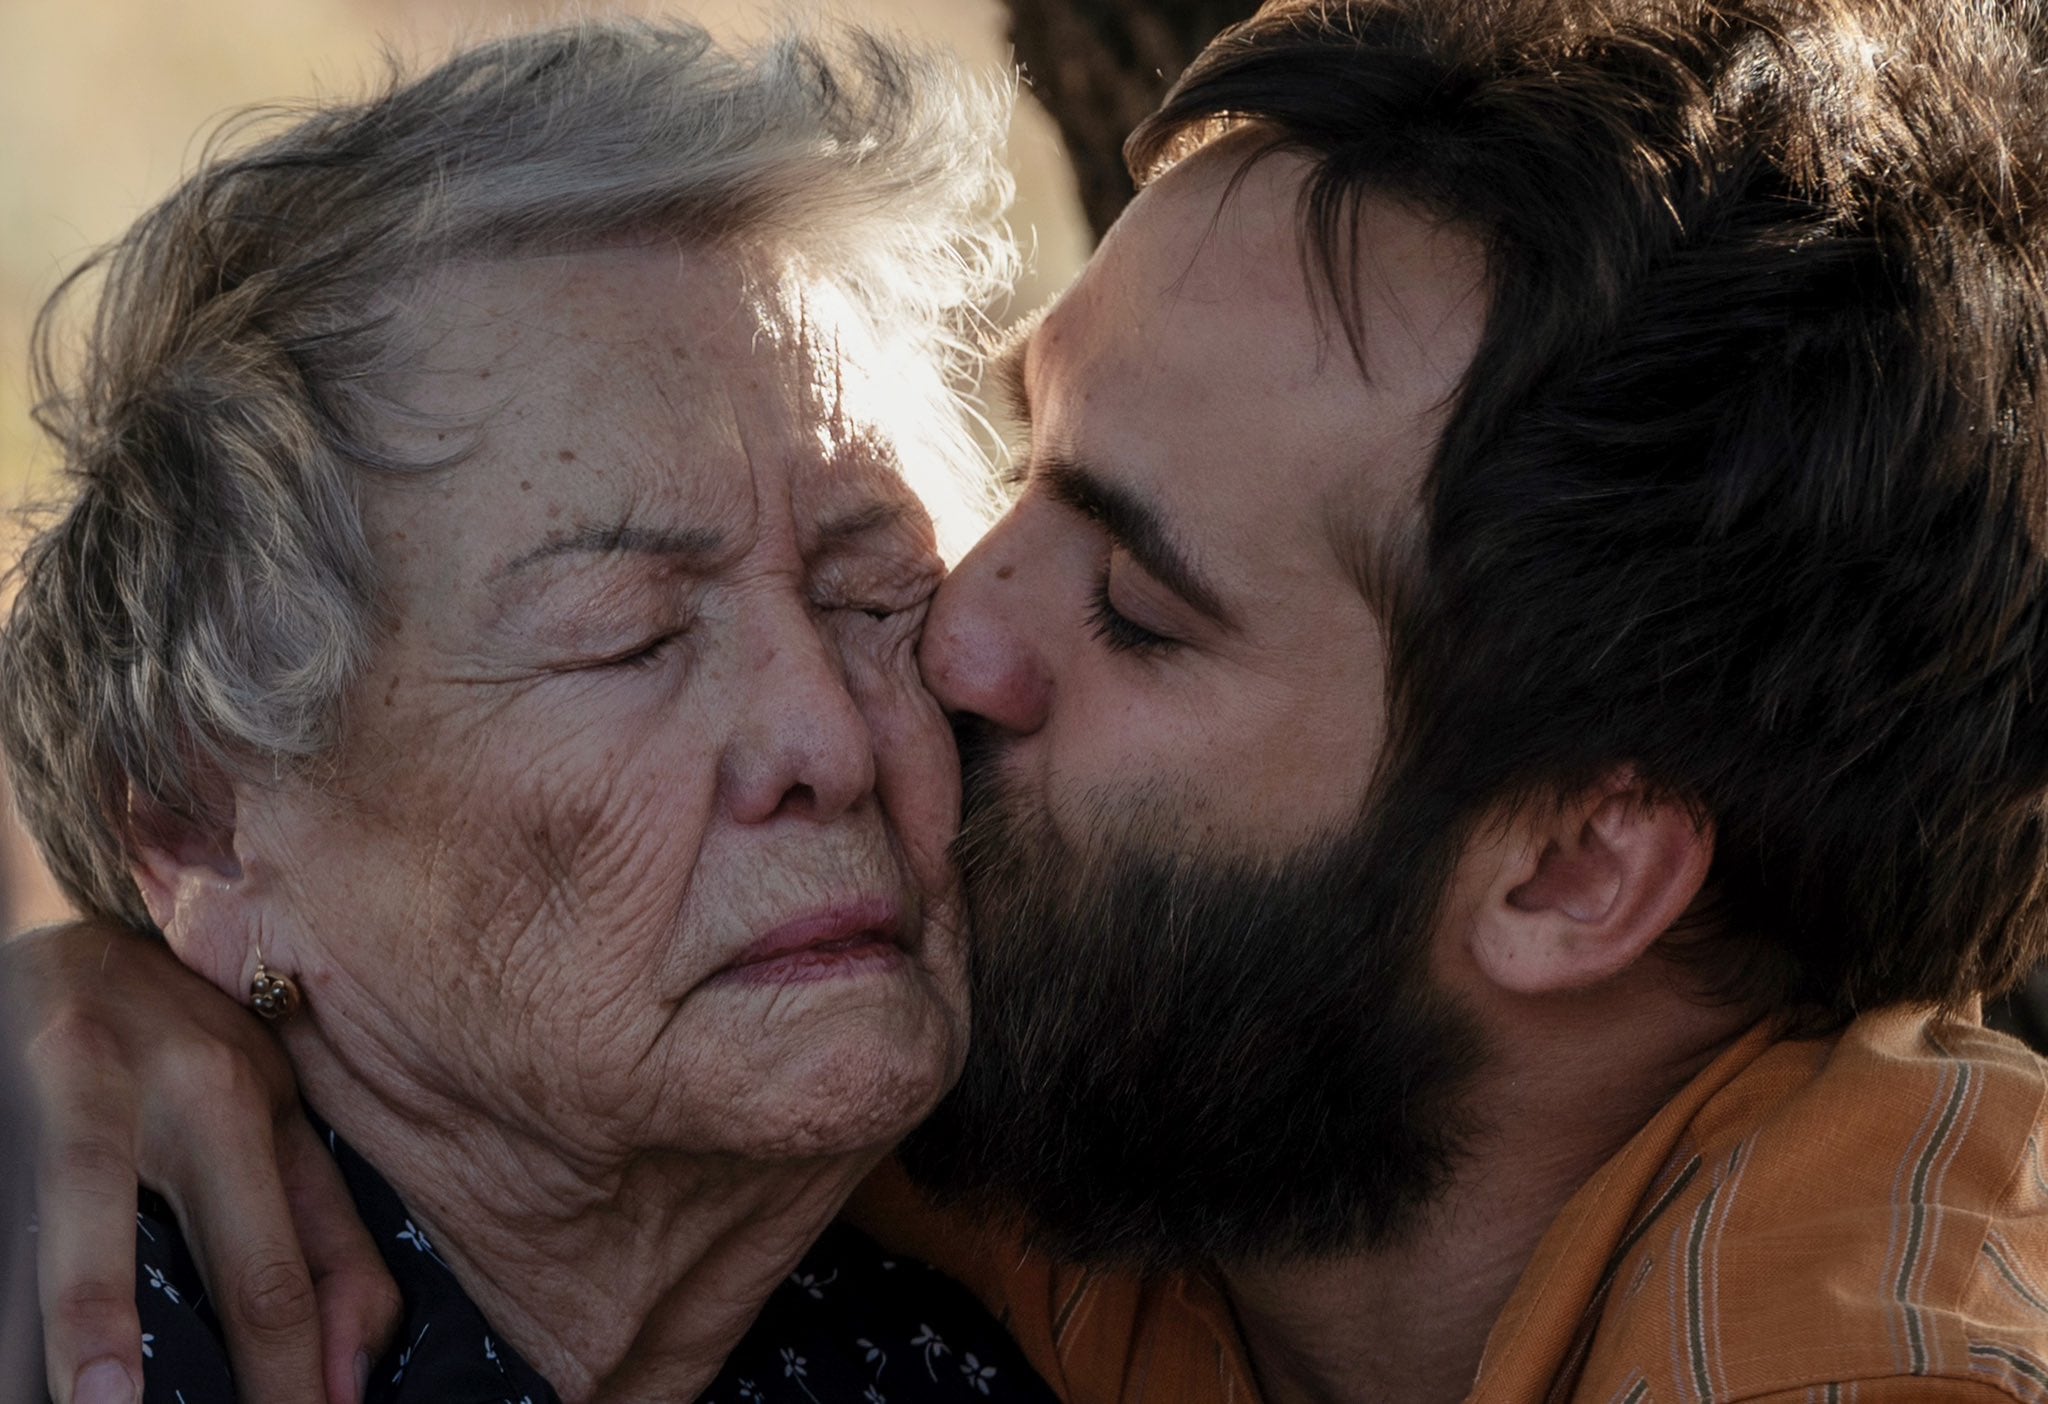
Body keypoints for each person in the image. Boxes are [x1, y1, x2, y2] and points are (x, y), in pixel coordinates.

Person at [15, 0, 2048, 1400]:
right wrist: (118, 977)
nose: (932, 666)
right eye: (1005, 494)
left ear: (1579, 867)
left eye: (1141, 607)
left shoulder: (1843, 1330)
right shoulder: (1089, 1073)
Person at [0, 19, 1064, 1404]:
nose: (831, 744)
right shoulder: (82, 1332)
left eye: (874, 598)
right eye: (626, 643)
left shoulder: (977, 1339)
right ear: (204, 830)